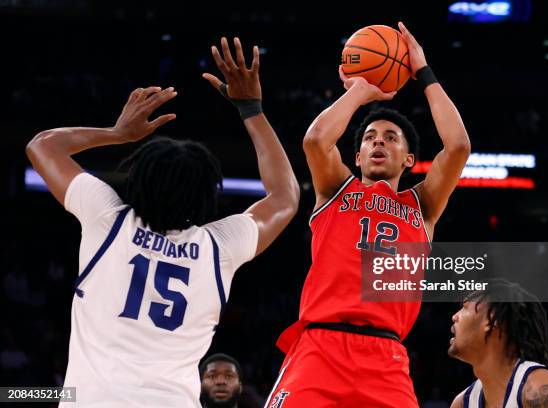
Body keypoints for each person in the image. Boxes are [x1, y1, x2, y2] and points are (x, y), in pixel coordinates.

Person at [26, 36, 299, 407]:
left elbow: (42, 145)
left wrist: (118, 134)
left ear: (137, 180)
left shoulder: (107, 218)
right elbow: (285, 196)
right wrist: (252, 110)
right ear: (206, 195)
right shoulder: (219, 247)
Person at [266, 22, 471, 407]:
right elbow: (315, 140)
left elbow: (458, 146)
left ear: (409, 159)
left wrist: (423, 72)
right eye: (370, 137)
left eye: (391, 138)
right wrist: (361, 91)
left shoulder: (422, 205)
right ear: (357, 156)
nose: (379, 141)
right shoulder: (335, 188)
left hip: (386, 356)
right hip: (319, 346)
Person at [448, 279, 548, 408]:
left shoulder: (541, 392)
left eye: (465, 307)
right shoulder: (463, 403)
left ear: (492, 319)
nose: (455, 316)